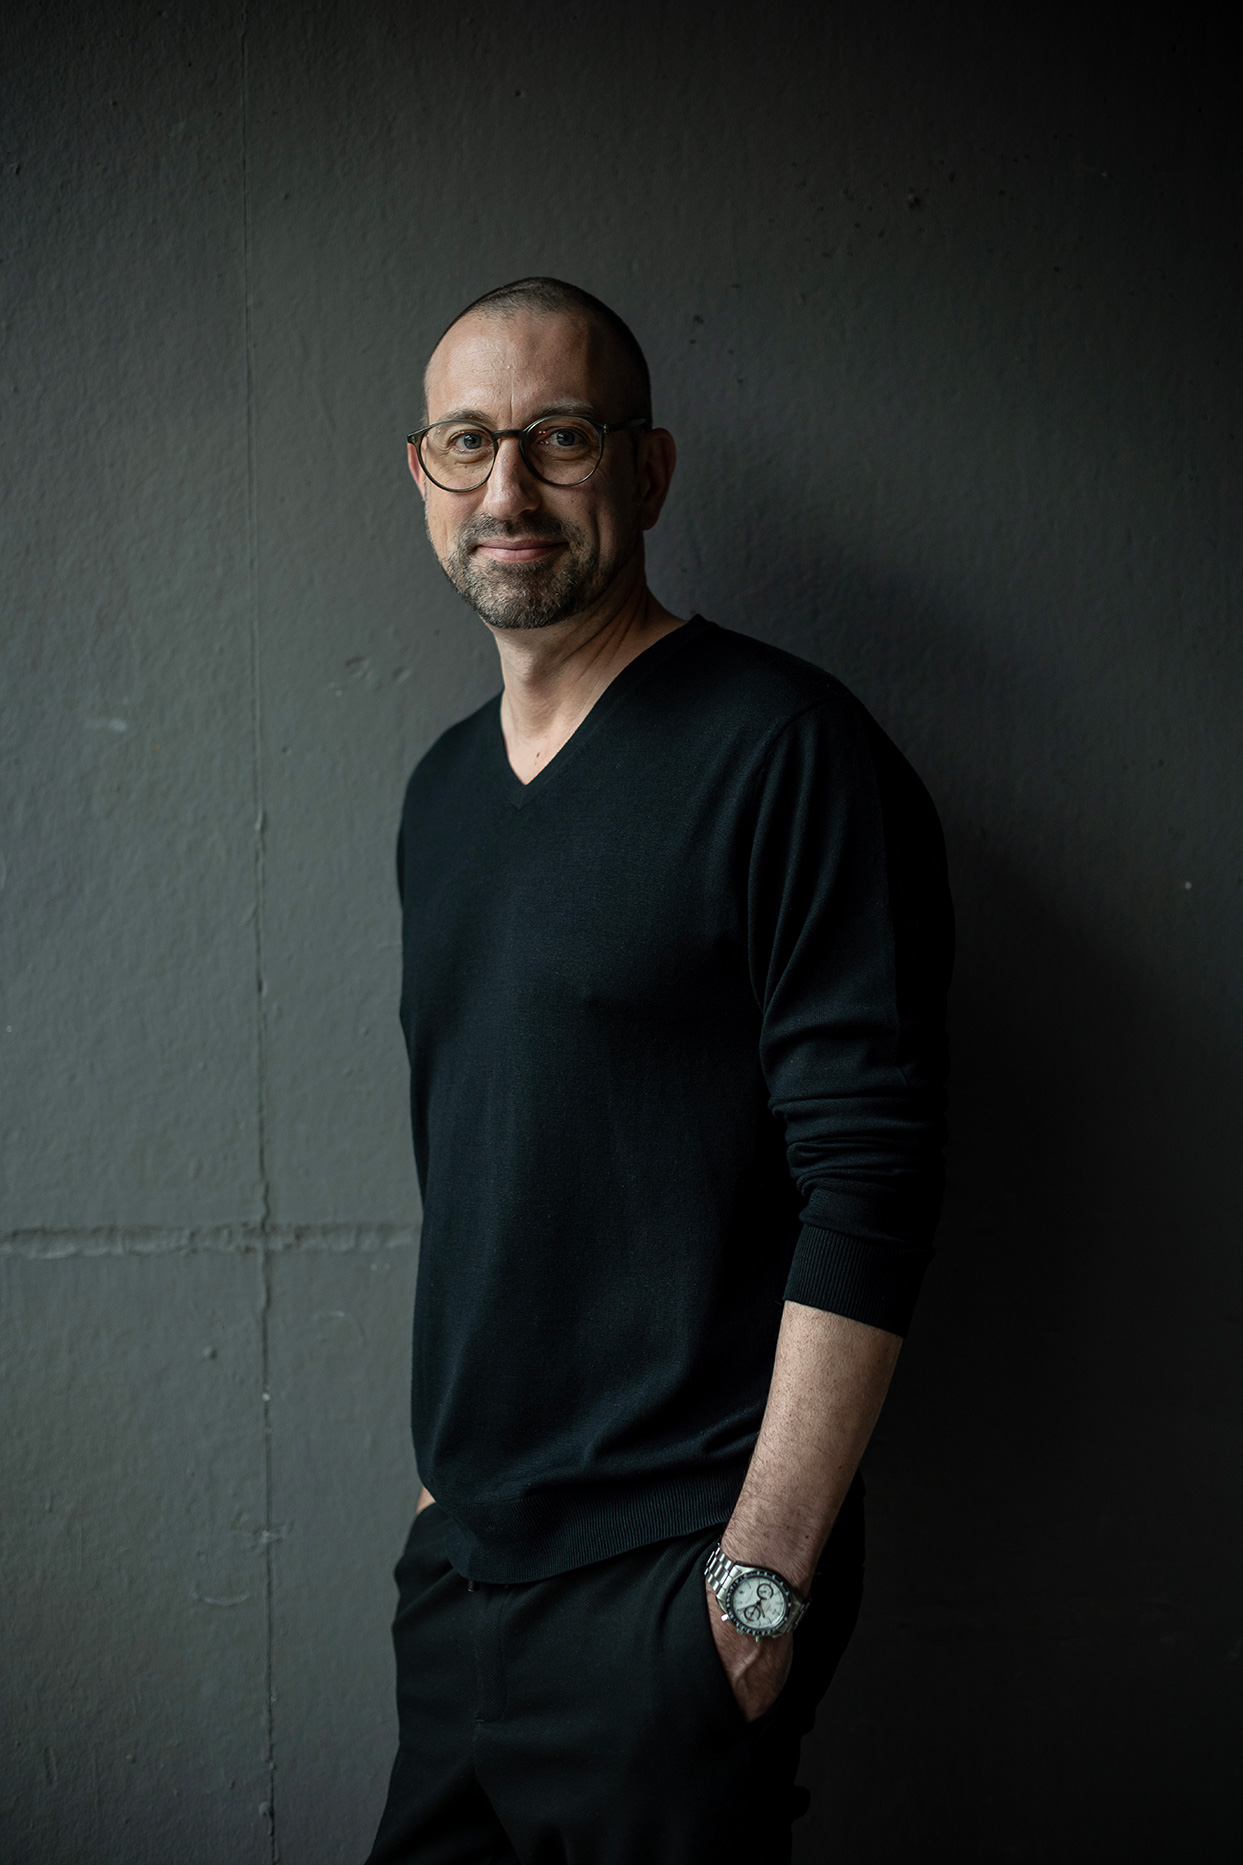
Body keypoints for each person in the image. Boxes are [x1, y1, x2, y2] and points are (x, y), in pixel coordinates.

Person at [364, 277, 952, 1865]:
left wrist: (757, 1590)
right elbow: (487, 1168)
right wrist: (437, 1512)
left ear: (647, 466)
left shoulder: (785, 752)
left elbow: (874, 1179)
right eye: (467, 442)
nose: (508, 487)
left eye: (558, 437)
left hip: (672, 1586)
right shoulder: (440, 798)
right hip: (465, 1581)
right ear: (421, 473)